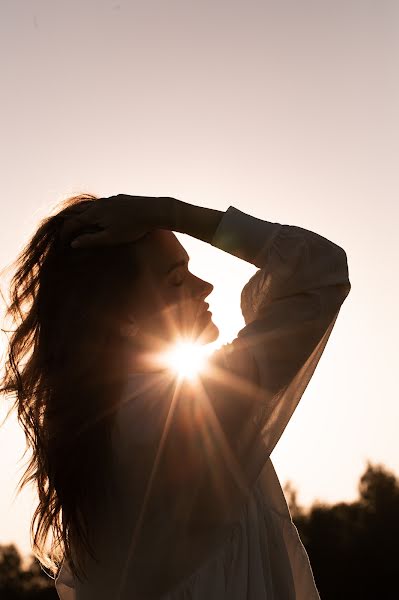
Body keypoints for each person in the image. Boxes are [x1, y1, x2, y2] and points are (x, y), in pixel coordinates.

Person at [1, 194, 351, 599]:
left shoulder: (126, 422)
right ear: (124, 318)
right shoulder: (172, 417)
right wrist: (168, 212)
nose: (206, 286)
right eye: (177, 279)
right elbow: (318, 270)